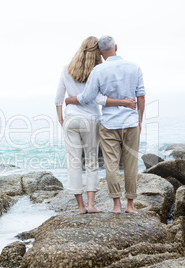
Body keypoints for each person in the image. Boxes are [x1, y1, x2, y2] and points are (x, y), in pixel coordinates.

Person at [55, 36, 137, 214]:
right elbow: (98, 98)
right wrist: (123, 103)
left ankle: (80, 207)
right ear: (98, 52)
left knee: (74, 162)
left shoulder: (66, 69)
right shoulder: (97, 70)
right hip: (91, 119)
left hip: (70, 120)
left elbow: (58, 99)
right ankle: (91, 205)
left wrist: (62, 119)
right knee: (92, 162)